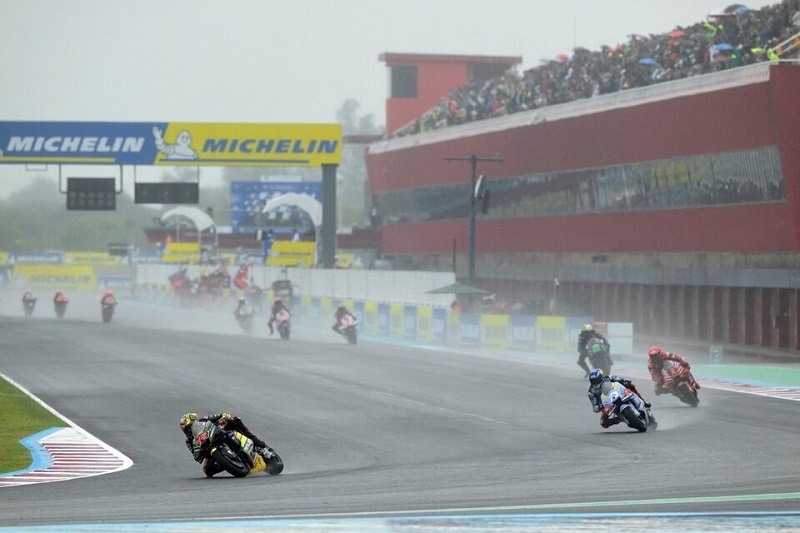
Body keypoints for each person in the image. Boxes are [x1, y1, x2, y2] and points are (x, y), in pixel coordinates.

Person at [179, 412, 272, 477]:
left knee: (235, 420)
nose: (188, 430)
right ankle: (230, 463)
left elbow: (221, 415)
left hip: (220, 434)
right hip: (208, 450)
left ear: (195, 422)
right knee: (207, 471)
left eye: (189, 427)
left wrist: (224, 417)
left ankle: (259, 445)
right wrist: (200, 450)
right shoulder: (189, 441)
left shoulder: (204, 419)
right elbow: (196, 457)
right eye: (185, 429)